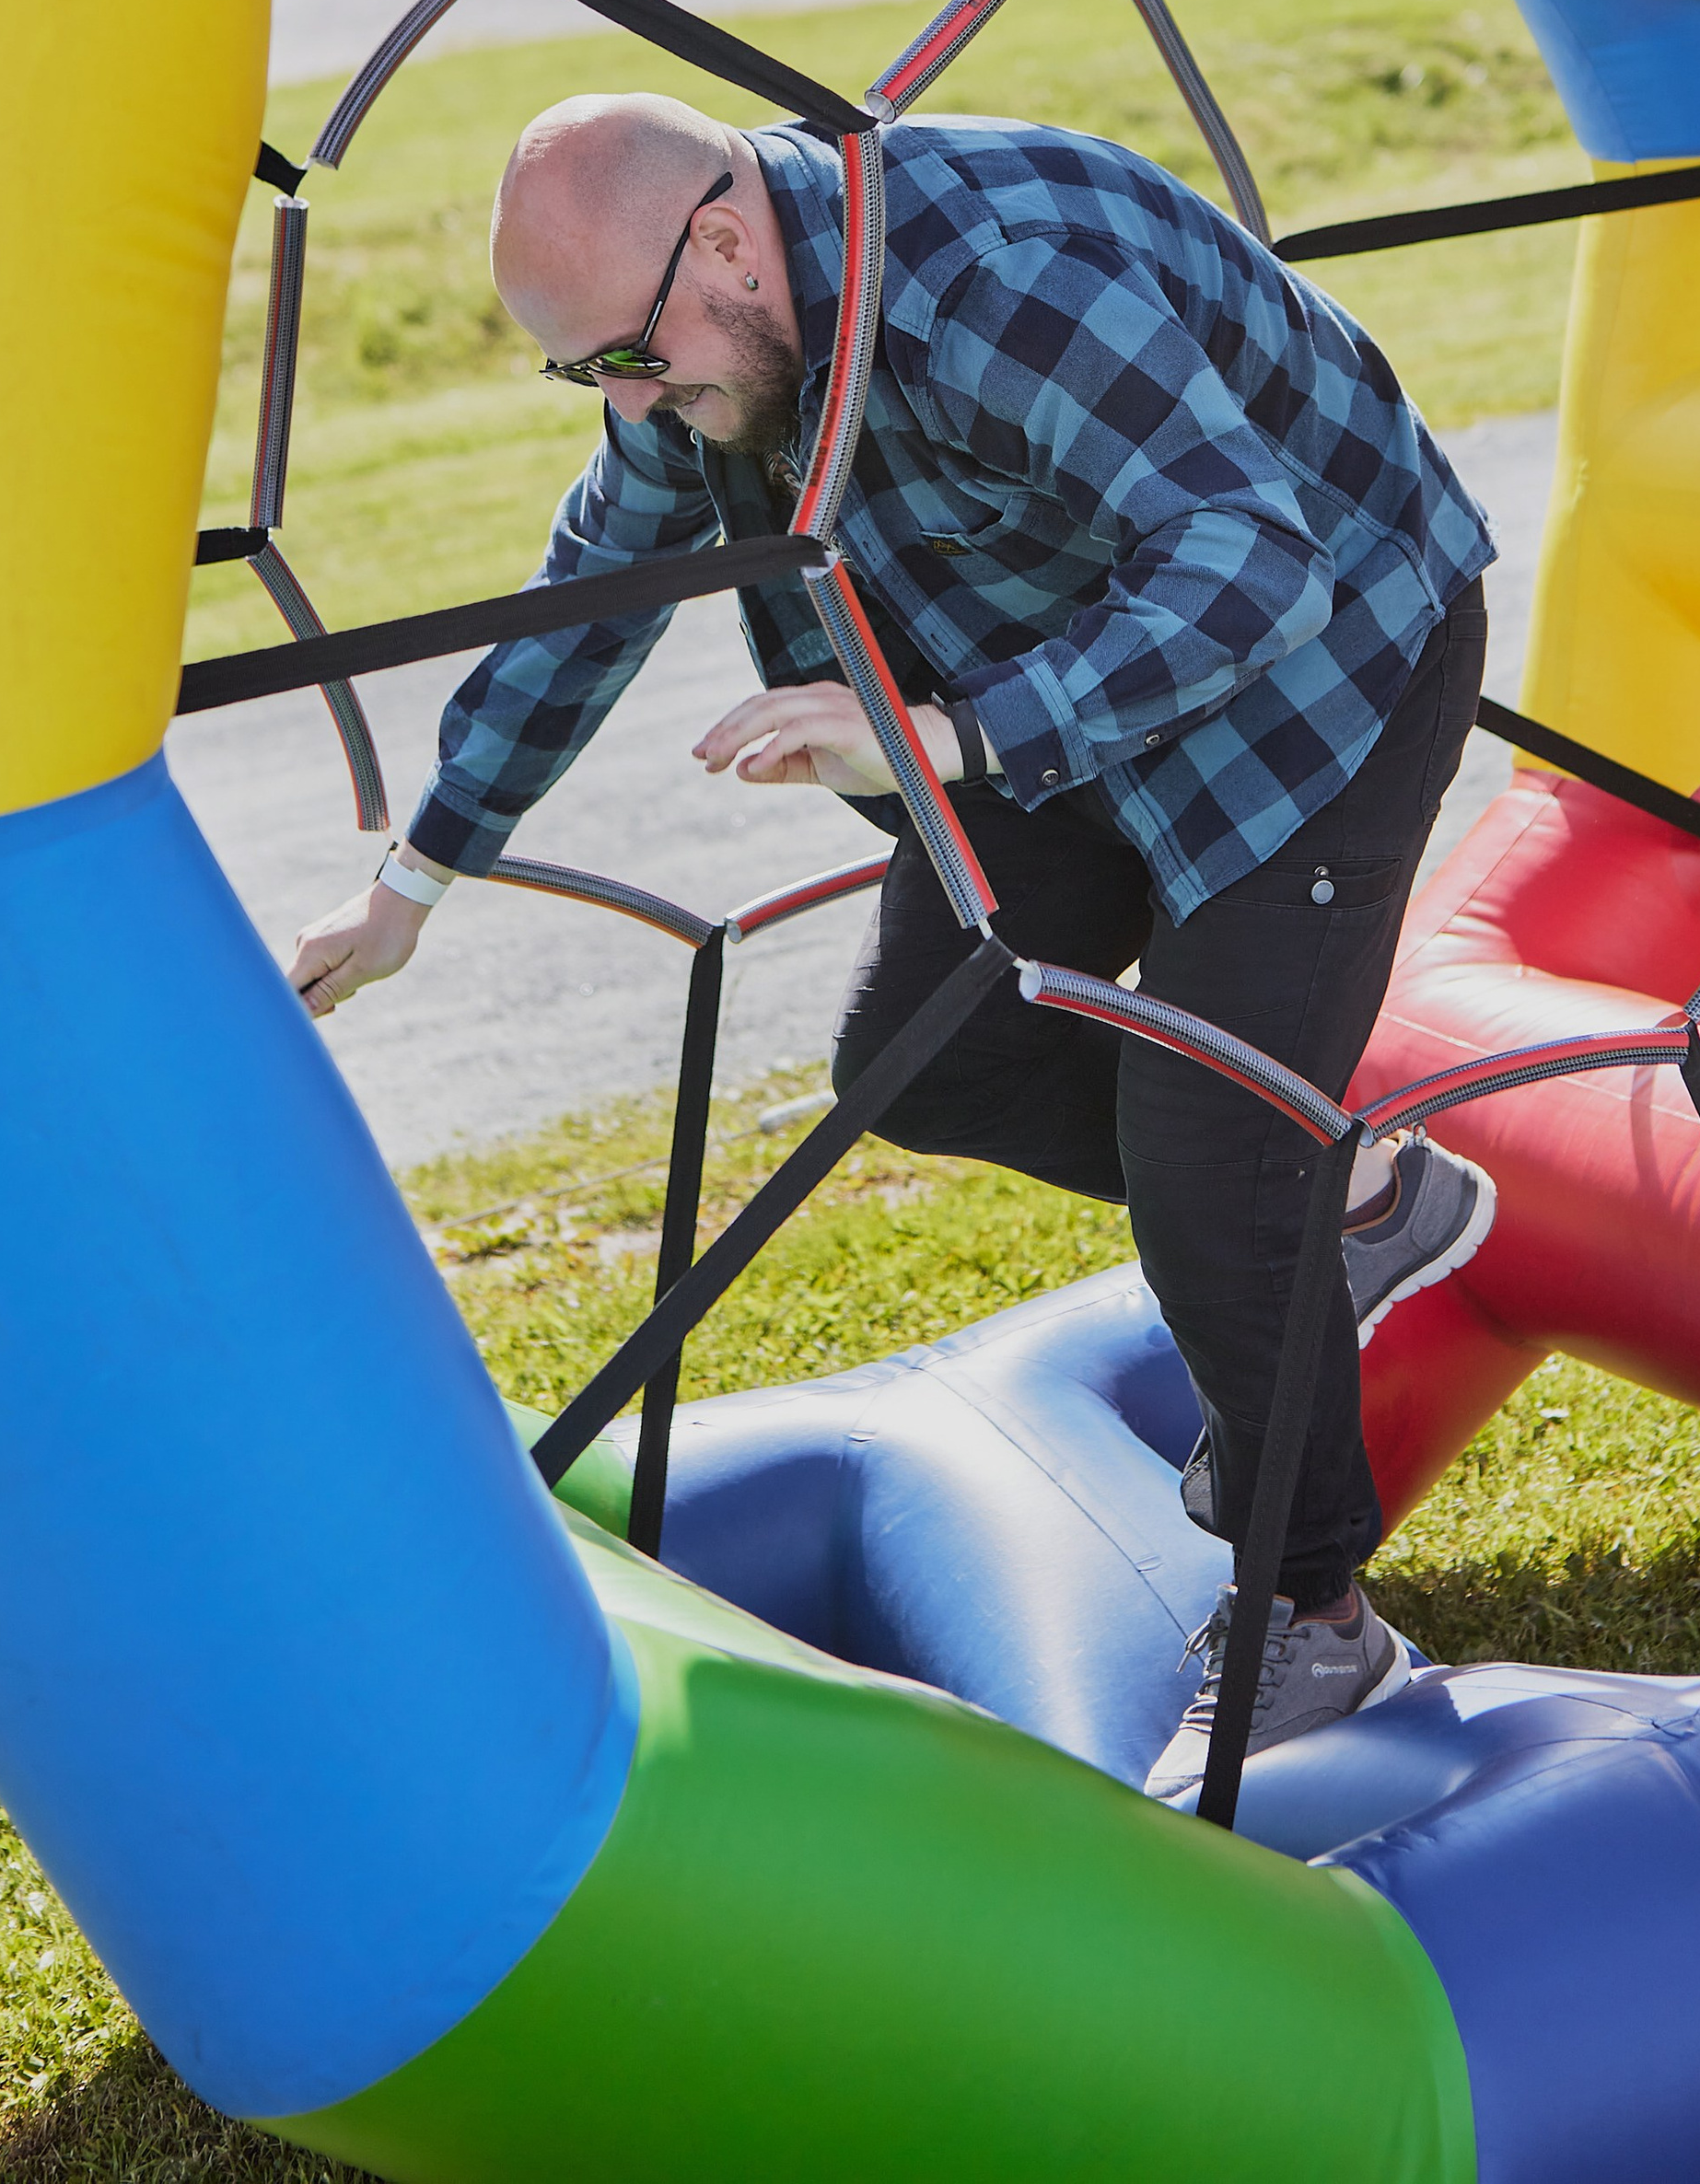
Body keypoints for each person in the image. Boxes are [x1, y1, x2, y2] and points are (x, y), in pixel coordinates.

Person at [291, 93, 1498, 1797]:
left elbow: (1252, 560)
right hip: (1035, 673)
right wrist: (412, 883)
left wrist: (948, 737)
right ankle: (1367, 1194)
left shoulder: (1008, 272)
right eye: (590, 378)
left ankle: (1310, 1600)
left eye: (632, 357)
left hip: (1321, 659)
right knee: (928, 1061)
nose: (633, 408)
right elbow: (590, 599)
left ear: (722, 239)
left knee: (1210, 1131)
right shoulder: (710, 339)